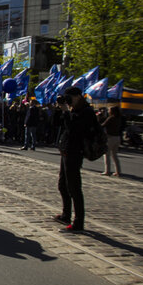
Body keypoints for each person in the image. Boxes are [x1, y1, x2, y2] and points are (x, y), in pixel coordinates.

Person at [54, 87, 96, 232]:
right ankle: (66, 214)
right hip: (66, 149)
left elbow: (74, 129)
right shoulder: (72, 110)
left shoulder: (86, 111)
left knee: (74, 187)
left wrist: (66, 112)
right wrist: (61, 110)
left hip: (75, 151)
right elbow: (60, 125)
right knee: (63, 185)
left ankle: (79, 221)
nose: (69, 100)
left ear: (78, 96)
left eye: (70, 97)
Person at [101, 106, 123, 177]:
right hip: (117, 137)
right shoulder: (119, 118)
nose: (108, 111)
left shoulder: (111, 118)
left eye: (109, 110)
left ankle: (107, 171)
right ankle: (118, 171)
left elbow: (103, 125)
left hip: (110, 137)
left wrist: (99, 118)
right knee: (114, 155)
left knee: (106, 154)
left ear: (112, 111)